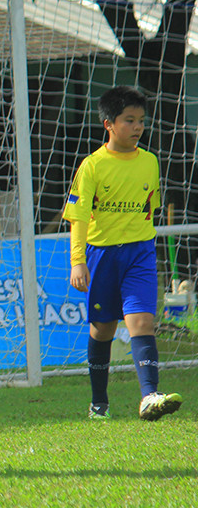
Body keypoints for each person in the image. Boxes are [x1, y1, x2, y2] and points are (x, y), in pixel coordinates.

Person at [63, 85, 183, 422]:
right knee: (102, 329)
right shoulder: (92, 166)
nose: (138, 127)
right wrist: (78, 261)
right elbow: (78, 216)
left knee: (143, 322)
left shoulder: (150, 162)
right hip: (102, 256)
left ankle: (149, 397)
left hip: (140, 253)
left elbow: (149, 212)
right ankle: (99, 402)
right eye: (129, 120)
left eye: (141, 121)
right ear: (109, 124)